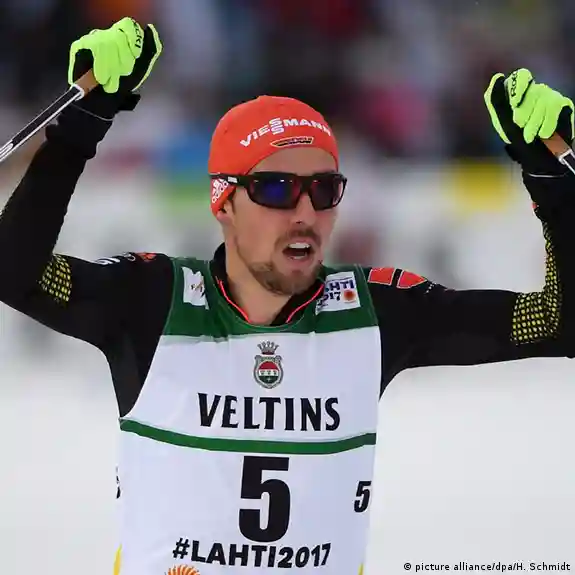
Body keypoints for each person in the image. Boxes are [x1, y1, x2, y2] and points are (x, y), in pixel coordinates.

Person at [0, 17, 574, 575]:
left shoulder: (374, 313)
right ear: (223, 201)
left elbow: (558, 322)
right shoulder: (151, 300)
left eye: (324, 190)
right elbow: (13, 273)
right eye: (275, 189)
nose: (305, 214)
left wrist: (552, 186)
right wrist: (80, 127)